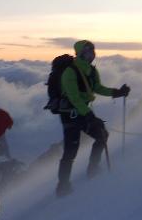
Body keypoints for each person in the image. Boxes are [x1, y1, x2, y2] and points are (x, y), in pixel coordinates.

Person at [54, 40, 130, 197]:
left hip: (82, 112)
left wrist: (117, 92)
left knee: (102, 135)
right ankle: (62, 186)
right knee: (71, 150)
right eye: (89, 51)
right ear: (81, 53)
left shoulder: (91, 71)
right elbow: (74, 98)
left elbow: (97, 88)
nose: (92, 54)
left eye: (93, 51)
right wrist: (89, 116)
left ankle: (93, 169)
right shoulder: (70, 72)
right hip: (70, 114)